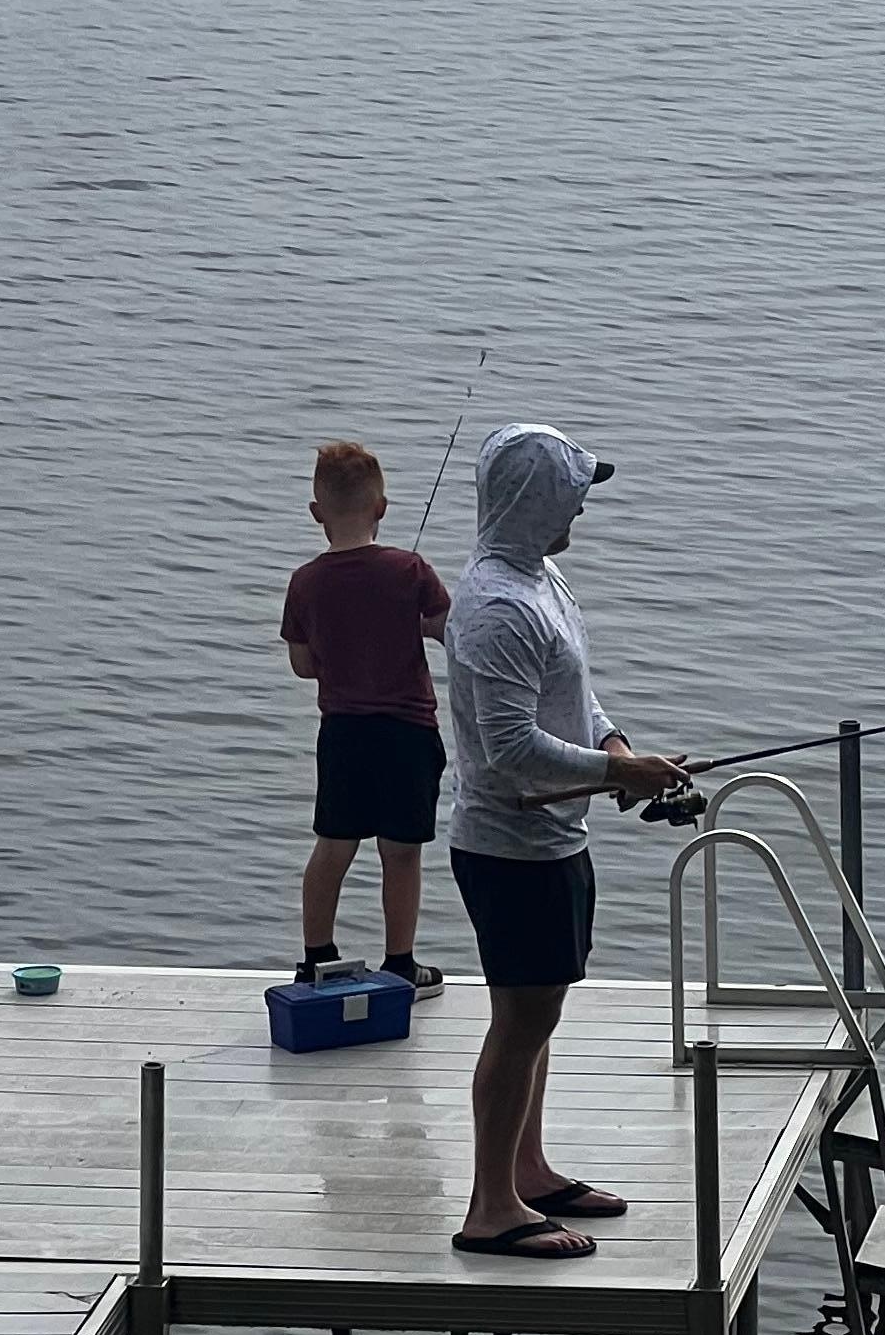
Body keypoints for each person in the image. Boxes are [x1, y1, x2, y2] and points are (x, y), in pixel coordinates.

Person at [442, 422, 686, 1260]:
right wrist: (622, 777)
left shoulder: (542, 581)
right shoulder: (498, 608)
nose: (584, 502)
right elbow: (510, 751)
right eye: (576, 489)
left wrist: (617, 752)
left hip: (552, 838)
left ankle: (529, 1170)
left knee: (540, 1010)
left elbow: (576, 698)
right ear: (537, 500)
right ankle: (490, 1208)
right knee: (520, 1017)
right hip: (507, 845)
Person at [279, 438, 453, 993]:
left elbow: (303, 665)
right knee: (401, 853)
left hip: (344, 734)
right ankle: (401, 962)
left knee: (333, 845)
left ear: (315, 514)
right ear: (382, 507)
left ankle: (315, 959)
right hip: (407, 732)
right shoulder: (411, 569)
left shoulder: (305, 582)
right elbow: (450, 629)